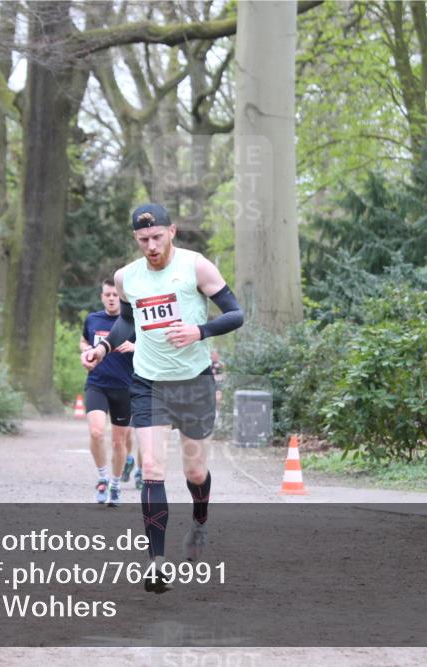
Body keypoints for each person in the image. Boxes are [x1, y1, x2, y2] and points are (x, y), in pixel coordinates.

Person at [82, 203, 244, 593]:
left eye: (157, 237)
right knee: (152, 468)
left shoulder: (196, 267)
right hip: (149, 383)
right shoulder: (127, 277)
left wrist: (199, 331)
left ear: (172, 231)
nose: (151, 246)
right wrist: (103, 348)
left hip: (194, 383)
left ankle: (200, 522)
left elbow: (235, 314)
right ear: (135, 239)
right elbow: (127, 321)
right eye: (143, 240)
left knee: (195, 472)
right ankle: (156, 562)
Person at [79, 279, 136, 507]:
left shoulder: (132, 321)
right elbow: (84, 340)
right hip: (97, 384)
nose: (112, 298)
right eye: (107, 294)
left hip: (124, 387)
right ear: (102, 296)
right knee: (96, 432)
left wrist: (135, 347)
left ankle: (115, 484)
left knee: (118, 442)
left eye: (115, 295)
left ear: (122, 298)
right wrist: (87, 350)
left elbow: (153, 347)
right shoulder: (93, 319)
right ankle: (102, 478)